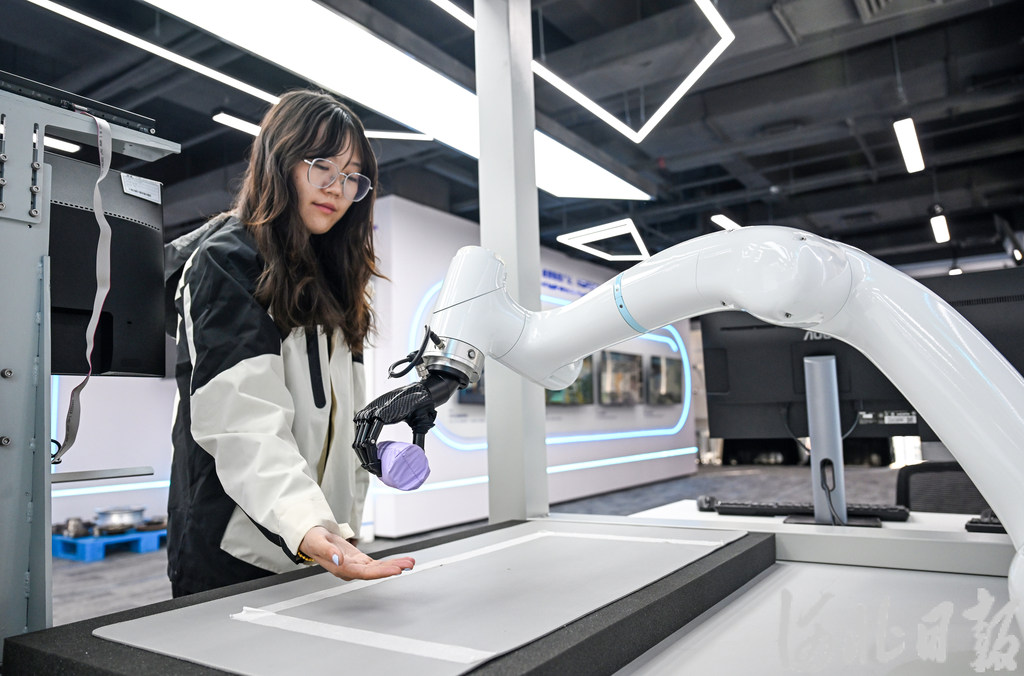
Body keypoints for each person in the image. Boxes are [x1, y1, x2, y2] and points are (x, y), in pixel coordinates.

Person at [166, 89, 414, 597]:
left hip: (318, 542)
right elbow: (243, 422)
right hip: (236, 552)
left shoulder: (339, 281)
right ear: (280, 161)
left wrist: (337, 524)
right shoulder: (228, 261)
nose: (337, 188)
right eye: (322, 166)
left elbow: (344, 422)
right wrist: (306, 524)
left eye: (353, 176)